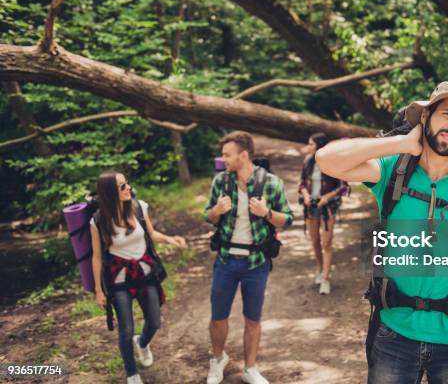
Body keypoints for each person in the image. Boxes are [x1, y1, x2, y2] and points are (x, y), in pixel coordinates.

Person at [315, 81, 448, 383]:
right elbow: (325, 159)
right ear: (426, 117)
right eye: (447, 114)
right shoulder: (392, 169)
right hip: (393, 332)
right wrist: (403, 144)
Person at [203, 131, 293, 384]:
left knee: (253, 318)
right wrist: (216, 211)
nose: (223, 159)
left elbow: (287, 219)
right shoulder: (220, 182)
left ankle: (250, 368)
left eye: (227, 155)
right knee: (218, 316)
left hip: (256, 263)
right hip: (225, 260)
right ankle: (217, 359)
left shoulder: (272, 183)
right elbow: (206, 216)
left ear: (244, 155)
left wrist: (266, 213)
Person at [90, 172, 187, 384]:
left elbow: (151, 234)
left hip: (144, 272)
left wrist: (172, 239)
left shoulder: (139, 207)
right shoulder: (97, 221)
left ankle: (142, 343)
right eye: (122, 186)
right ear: (109, 192)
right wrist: (98, 290)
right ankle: (132, 373)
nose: (128, 188)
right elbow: (97, 258)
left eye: (127, 183)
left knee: (154, 321)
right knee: (126, 328)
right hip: (119, 278)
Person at [298, 132, 349, 294]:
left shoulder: (333, 163)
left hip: (327, 208)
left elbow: (343, 187)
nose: (308, 147)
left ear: (319, 146)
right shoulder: (307, 162)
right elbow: (301, 183)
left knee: (327, 243)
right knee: (314, 241)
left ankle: (326, 278)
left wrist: (327, 197)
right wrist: (306, 195)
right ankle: (320, 269)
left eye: (311, 144)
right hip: (310, 206)